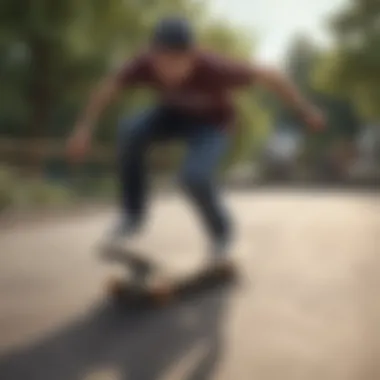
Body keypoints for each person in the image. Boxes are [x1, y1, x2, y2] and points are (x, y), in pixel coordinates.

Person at [66, 16, 325, 271]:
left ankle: (221, 234)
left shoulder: (216, 68)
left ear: (194, 55)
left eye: (179, 63)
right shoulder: (142, 64)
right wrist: (83, 129)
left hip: (211, 127)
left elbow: (272, 76)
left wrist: (305, 110)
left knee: (194, 178)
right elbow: (107, 88)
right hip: (170, 117)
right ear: (152, 55)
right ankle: (132, 216)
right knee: (130, 130)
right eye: (163, 64)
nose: (170, 72)